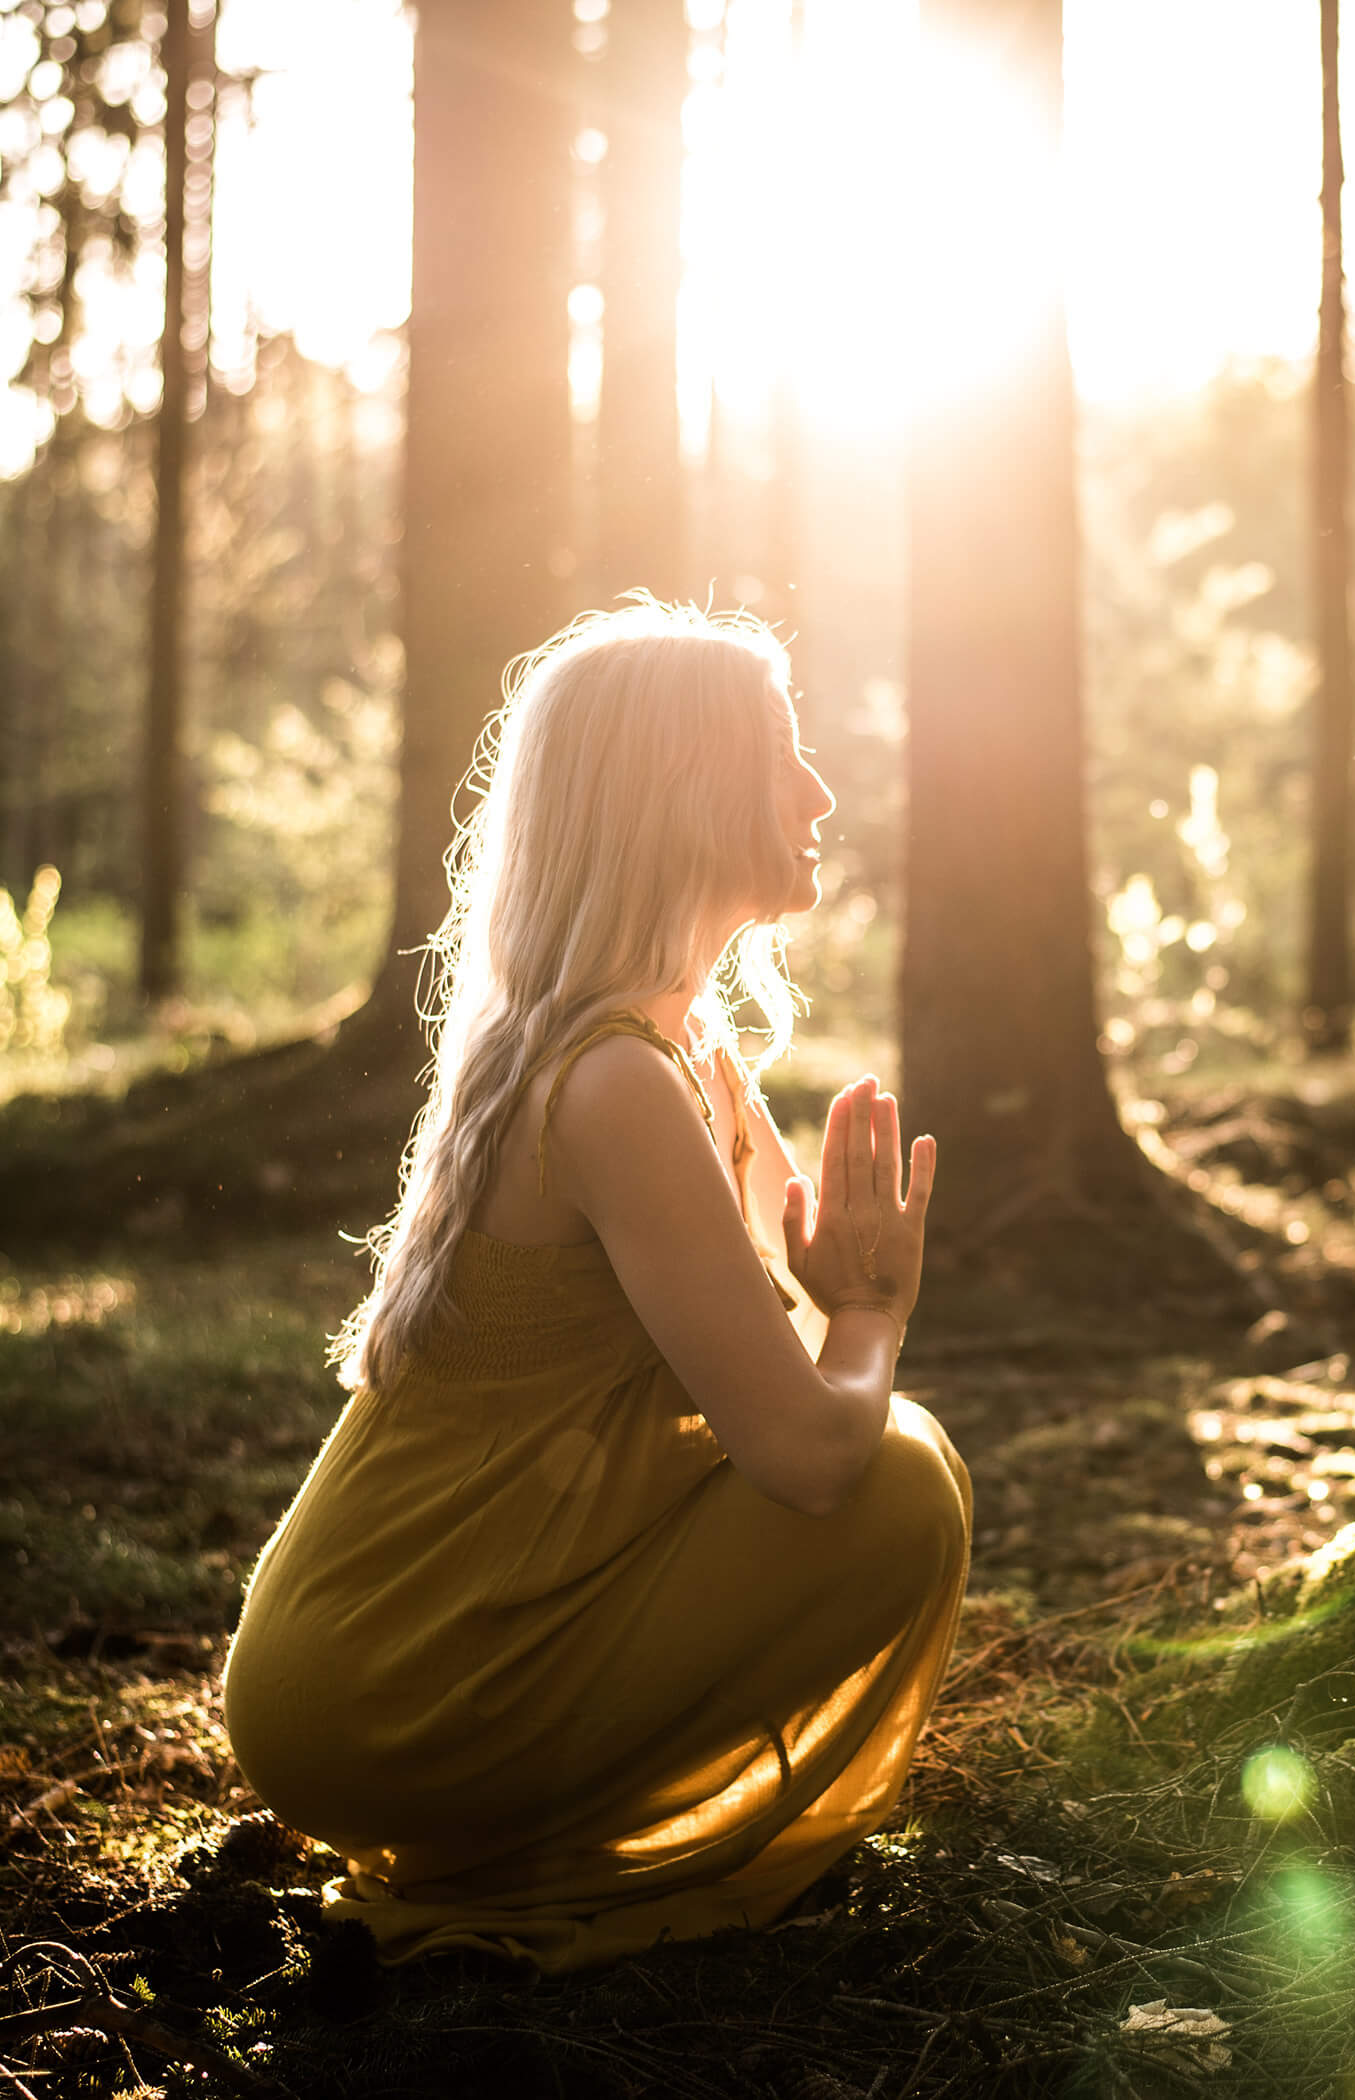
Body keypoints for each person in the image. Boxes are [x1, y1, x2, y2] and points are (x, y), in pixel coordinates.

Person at [222, 601, 969, 1972]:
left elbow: (779, 1401)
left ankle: (517, 1842)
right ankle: (523, 1868)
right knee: (904, 1484)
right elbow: (815, 1457)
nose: (819, 793)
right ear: (682, 792)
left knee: (904, 1464)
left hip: (407, 1653)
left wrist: (836, 1305)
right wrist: (873, 1311)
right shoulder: (615, 1082)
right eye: (782, 752)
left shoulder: (680, 1060)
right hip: (379, 1683)